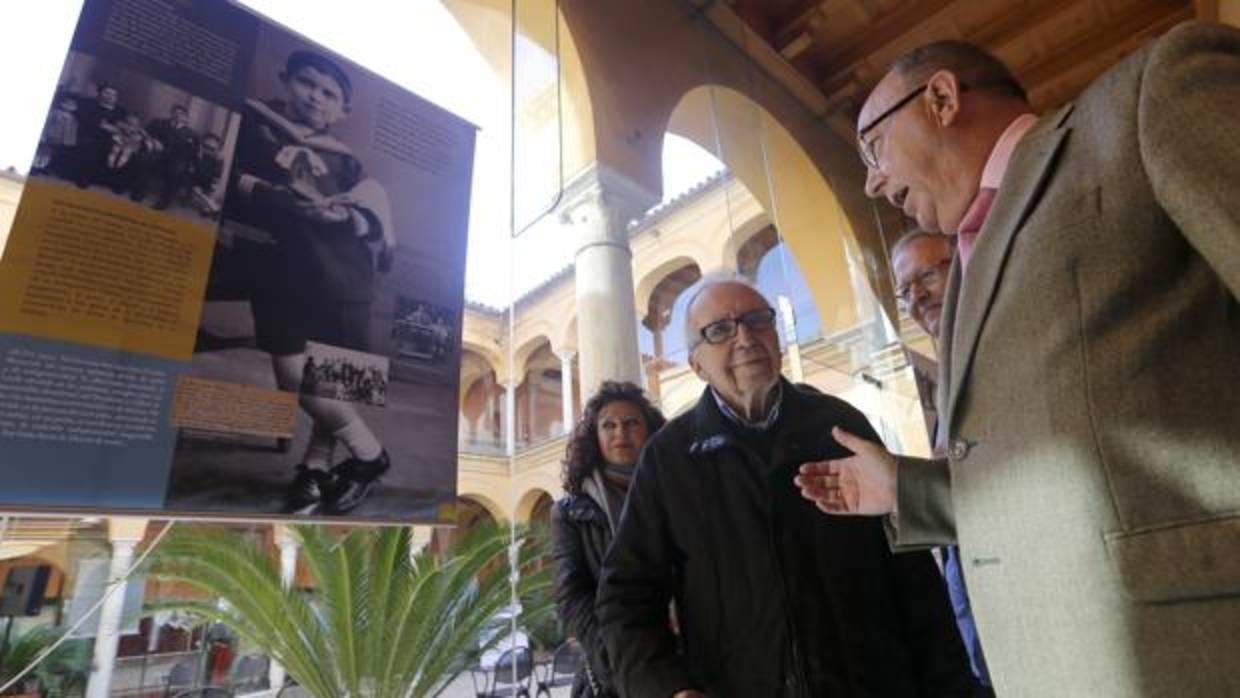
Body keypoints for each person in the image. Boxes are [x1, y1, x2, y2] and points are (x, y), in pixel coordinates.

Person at [796, 22, 1240, 696]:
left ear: (941, 99)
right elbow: (1060, 485)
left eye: (874, 146)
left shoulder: (1145, 101)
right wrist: (905, 490)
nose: (873, 182)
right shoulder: (968, 275)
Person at [596, 274, 973, 698]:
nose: (744, 337)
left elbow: (913, 578)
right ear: (697, 364)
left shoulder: (839, 426)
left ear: (776, 336)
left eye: (758, 320)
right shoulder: (669, 459)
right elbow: (624, 597)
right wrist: (667, 689)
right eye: (719, 330)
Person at [220, 49, 396, 515]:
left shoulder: (348, 161)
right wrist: (266, 192)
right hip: (281, 271)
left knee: (337, 380)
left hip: (345, 278)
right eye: (307, 83)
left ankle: (316, 469)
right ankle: (371, 454)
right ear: (285, 80)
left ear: (343, 110)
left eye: (328, 93)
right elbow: (227, 173)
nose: (316, 97)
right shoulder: (254, 126)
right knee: (296, 377)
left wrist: (349, 215)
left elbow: (370, 206)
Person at [891, 230, 992, 696]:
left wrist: (901, 486)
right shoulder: (948, 367)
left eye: (928, 274)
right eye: (905, 289)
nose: (918, 296)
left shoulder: (998, 342)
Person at [551, 381, 666, 698]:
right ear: (595, 437)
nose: (621, 433)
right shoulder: (571, 512)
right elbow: (571, 593)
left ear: (650, 430)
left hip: (683, 657)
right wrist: (619, 658)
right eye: (609, 425)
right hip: (612, 673)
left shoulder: (675, 494)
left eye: (631, 423)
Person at [142, 104, 200, 208]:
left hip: (177, 159)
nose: (178, 116)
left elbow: (195, 152)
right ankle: (140, 191)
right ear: (171, 113)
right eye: (176, 113)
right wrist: (153, 141)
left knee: (176, 171)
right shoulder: (159, 122)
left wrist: (191, 164)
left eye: (182, 114)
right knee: (145, 159)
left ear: (186, 118)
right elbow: (145, 132)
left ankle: (165, 200)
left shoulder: (192, 134)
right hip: (158, 153)